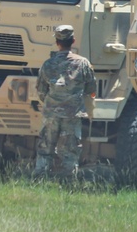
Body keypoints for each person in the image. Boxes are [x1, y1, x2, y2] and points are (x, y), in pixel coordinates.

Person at [34, 25, 97, 178]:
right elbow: (91, 90)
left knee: (45, 148)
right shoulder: (83, 64)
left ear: (57, 42)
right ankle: (67, 182)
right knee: (70, 151)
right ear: (73, 41)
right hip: (72, 114)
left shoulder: (47, 64)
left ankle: (40, 180)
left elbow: (41, 91)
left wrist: (51, 103)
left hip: (50, 114)